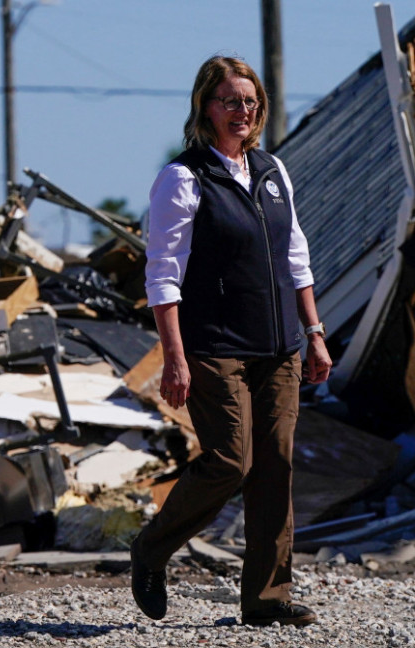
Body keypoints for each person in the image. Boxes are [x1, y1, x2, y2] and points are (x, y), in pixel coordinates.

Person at [132, 55, 333, 628]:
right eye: (228, 100)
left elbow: (296, 257)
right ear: (205, 107)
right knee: (229, 460)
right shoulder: (184, 177)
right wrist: (173, 355)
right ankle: (152, 546)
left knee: (276, 465)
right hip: (214, 345)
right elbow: (162, 275)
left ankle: (267, 601)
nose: (241, 110)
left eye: (249, 100)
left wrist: (314, 333)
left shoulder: (273, 170)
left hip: (281, 347)